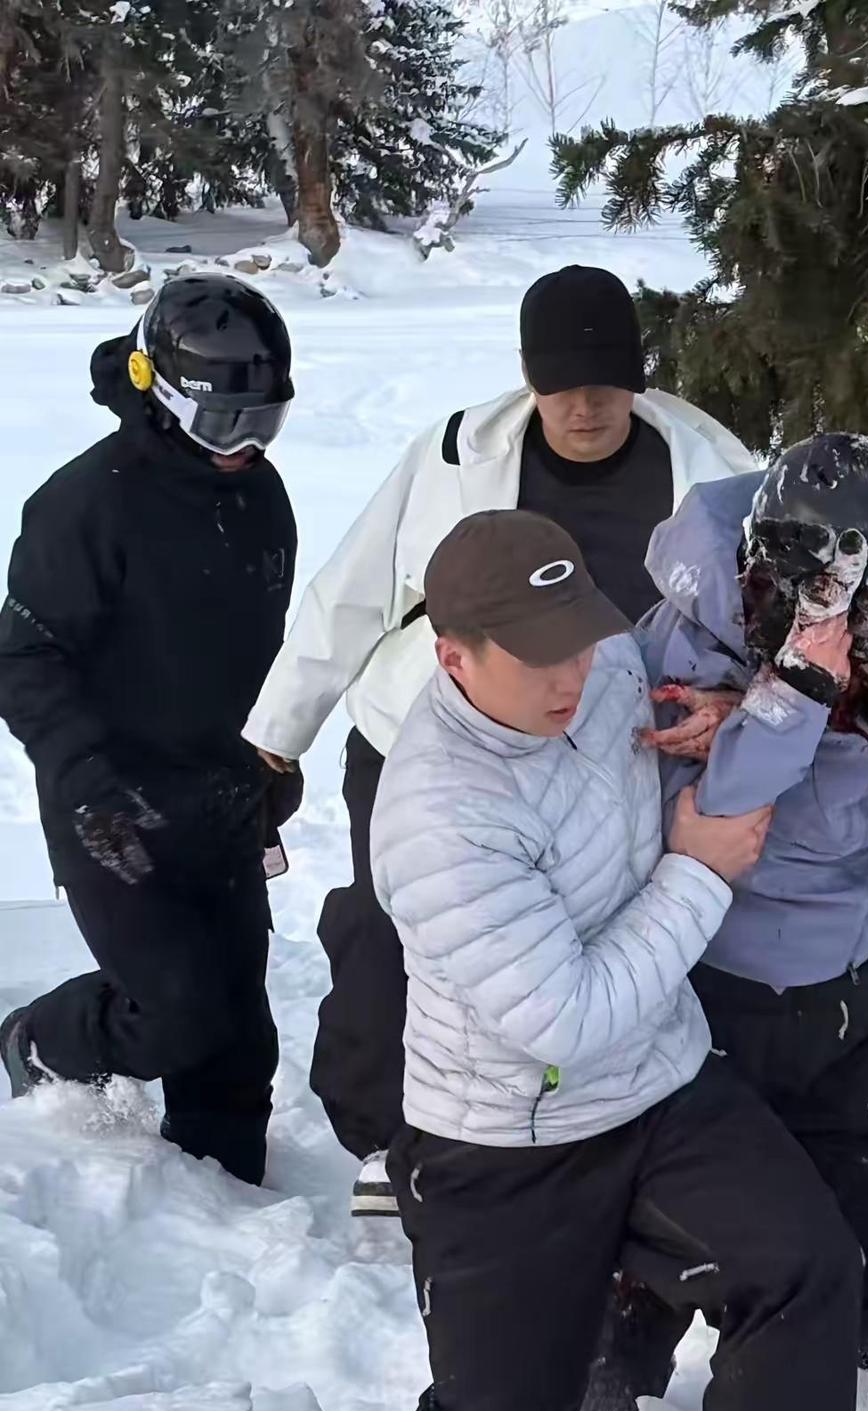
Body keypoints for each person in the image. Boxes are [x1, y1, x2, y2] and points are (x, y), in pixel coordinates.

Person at [240, 264, 755, 1212]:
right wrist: (276, 735)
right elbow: (353, 591)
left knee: (579, 934)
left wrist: (734, 702)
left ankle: (584, 1120)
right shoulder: (453, 454)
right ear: (529, 377)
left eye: (607, 384)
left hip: (608, 741)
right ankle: (385, 1133)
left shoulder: (710, 466)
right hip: (422, 730)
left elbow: (757, 616)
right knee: (389, 927)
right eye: (563, 386)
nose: (586, 406)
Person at [369, 507, 862, 1411]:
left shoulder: (604, 670)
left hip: (659, 1080)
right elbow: (568, 1019)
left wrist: (721, 709)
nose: (572, 677)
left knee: (804, 1268)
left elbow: (644, 720)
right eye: (535, 656)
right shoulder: (437, 815)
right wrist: (699, 870)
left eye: (579, 642)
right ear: (453, 655)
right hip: (507, 1143)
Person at [586, 434, 868, 1411]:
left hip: (850, 995)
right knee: (646, 1251)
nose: (839, 617)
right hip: (700, 995)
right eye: (812, 594)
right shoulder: (685, 630)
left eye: (863, 597)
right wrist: (790, 692)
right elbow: (715, 813)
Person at [0, 274, 299, 1188]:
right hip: (114, 806)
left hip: (221, 794)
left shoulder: (258, 493)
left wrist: (272, 752)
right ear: (165, 399)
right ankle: (40, 1039)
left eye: (265, 423)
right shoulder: (86, 505)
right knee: (177, 1012)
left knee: (241, 1038)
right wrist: (85, 777)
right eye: (224, 426)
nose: (244, 447)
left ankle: (224, 1198)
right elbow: (24, 657)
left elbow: (265, 643)